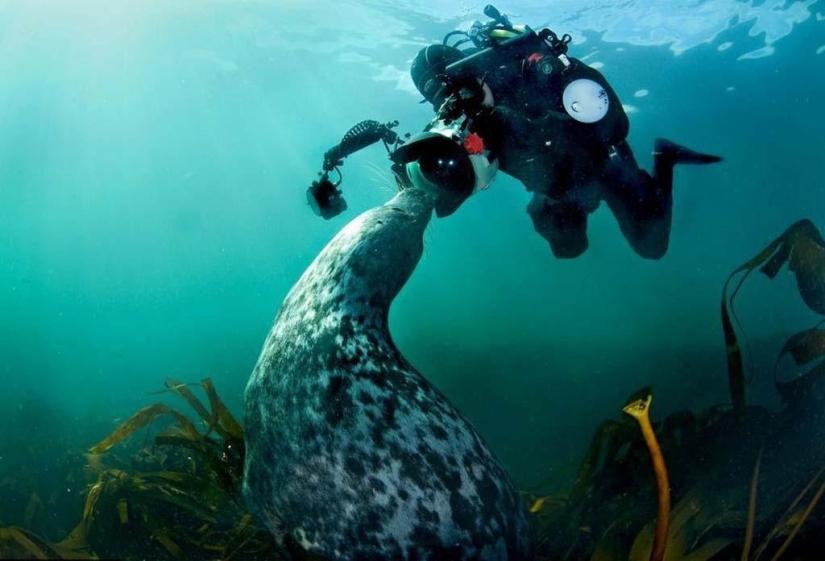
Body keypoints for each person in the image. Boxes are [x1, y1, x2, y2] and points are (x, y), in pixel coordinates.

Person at [403, 8, 722, 259]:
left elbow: (612, 126)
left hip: (603, 165)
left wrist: (515, 118)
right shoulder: (457, 127)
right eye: (447, 103)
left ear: (471, 70)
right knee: (568, 248)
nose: (462, 106)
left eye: (465, 90)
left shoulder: (530, 72)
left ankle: (665, 158)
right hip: (555, 183)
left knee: (651, 247)